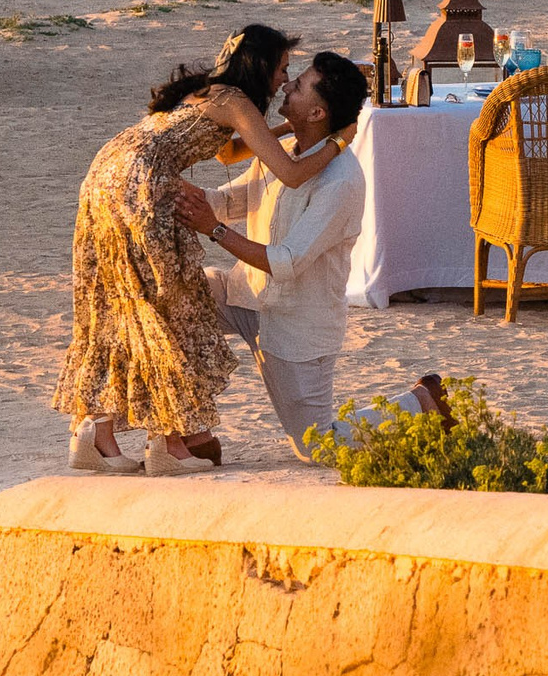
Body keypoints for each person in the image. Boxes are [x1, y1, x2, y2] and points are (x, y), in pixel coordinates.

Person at [55, 26, 340, 476]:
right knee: (168, 306)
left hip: (106, 173)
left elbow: (229, 153)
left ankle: (95, 434)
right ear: (262, 66)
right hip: (143, 182)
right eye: (283, 69)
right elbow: (290, 172)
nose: (286, 80)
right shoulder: (236, 100)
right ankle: (169, 444)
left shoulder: (209, 91)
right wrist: (340, 139)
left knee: (117, 303)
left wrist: (289, 126)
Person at [172, 51, 447, 461]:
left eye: (298, 85)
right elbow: (231, 201)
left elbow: (286, 262)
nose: (286, 86)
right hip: (243, 296)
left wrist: (213, 229)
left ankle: (421, 401)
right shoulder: (282, 152)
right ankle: (190, 433)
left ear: (317, 112)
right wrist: (173, 190)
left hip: (296, 328)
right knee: (167, 301)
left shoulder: (341, 181)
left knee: (316, 445)